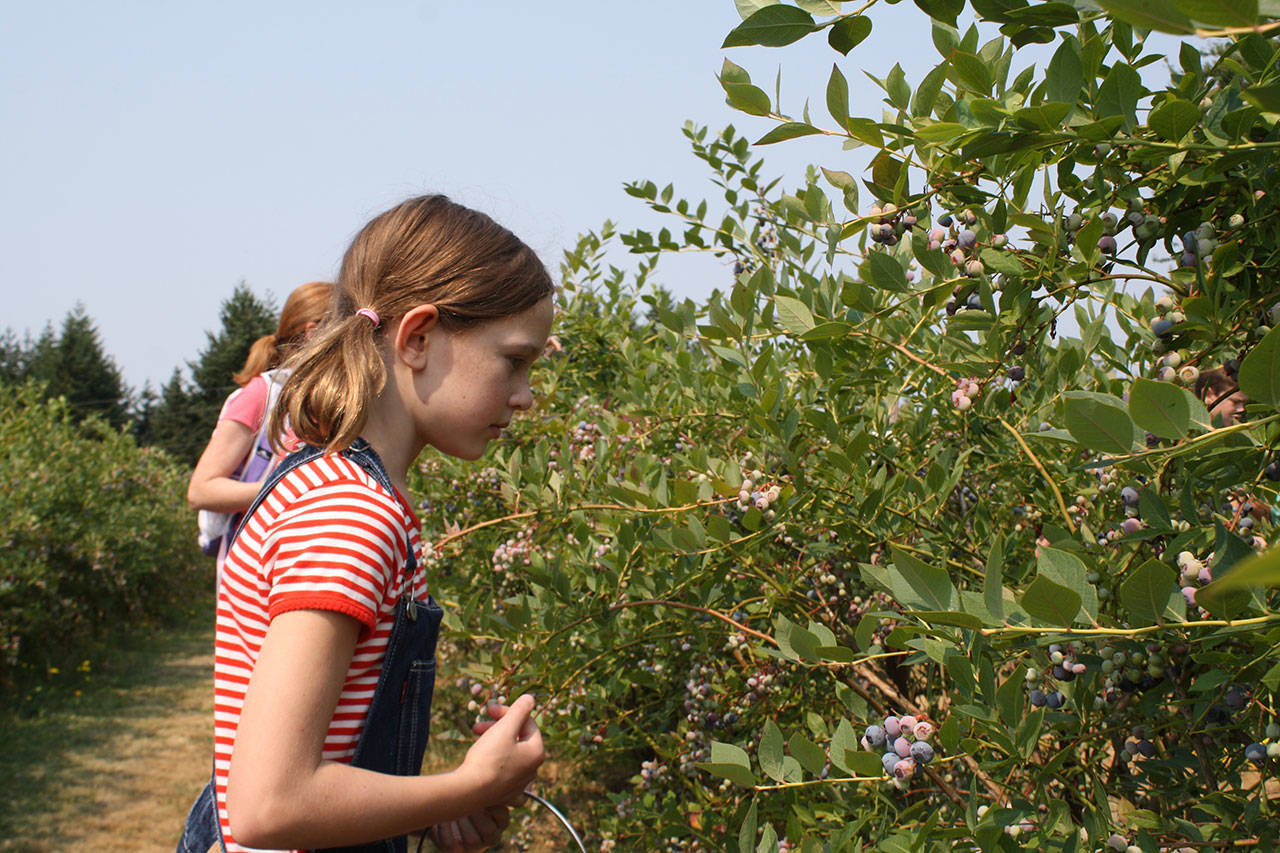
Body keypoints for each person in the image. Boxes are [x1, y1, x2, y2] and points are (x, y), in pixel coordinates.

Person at [176, 195, 553, 853]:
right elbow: (271, 805)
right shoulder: (351, 513)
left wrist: (423, 810)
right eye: (514, 361)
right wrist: (468, 784)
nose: (525, 394)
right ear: (418, 338)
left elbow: (325, 754)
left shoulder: (329, 483)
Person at [187, 279, 334, 577]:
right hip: (251, 567)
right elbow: (201, 490)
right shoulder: (260, 395)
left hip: (302, 559)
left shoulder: (330, 400)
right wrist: (287, 490)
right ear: (314, 331)